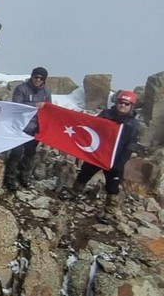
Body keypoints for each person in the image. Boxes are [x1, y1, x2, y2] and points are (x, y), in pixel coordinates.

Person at [60, 90, 141, 224]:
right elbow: (93, 127)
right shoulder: (106, 114)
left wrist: (119, 164)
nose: (123, 105)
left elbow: (130, 147)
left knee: (112, 186)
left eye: (126, 104)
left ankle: (109, 210)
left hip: (116, 158)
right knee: (84, 174)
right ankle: (75, 192)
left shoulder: (133, 124)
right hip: (99, 154)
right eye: (121, 102)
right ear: (116, 102)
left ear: (131, 106)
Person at [4, 67, 52, 191]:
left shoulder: (46, 92)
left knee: (30, 153)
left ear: (44, 80)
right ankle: (10, 178)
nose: (38, 80)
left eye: (41, 78)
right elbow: (17, 106)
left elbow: (49, 110)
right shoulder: (21, 88)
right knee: (16, 153)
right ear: (32, 76)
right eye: (36, 76)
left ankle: (25, 176)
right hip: (20, 127)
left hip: (35, 128)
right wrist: (35, 105)